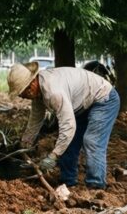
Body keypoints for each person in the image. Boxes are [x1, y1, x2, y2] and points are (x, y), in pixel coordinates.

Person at [9, 62, 120, 191]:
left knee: (92, 141)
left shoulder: (53, 92)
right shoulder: (39, 91)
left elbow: (68, 127)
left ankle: (96, 186)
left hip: (103, 98)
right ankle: (68, 183)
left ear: (32, 84)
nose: (23, 97)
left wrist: (53, 156)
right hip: (82, 104)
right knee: (67, 142)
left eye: (22, 93)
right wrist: (25, 144)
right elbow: (35, 119)